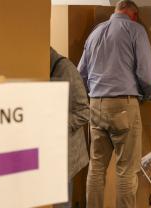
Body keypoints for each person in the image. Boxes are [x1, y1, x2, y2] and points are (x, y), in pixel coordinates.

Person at [77, 0, 151, 207]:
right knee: (126, 170)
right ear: (134, 14)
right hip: (124, 104)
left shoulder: (95, 33)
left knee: (96, 167)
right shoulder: (135, 30)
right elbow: (147, 75)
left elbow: (80, 74)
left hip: (95, 104)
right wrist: (146, 95)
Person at [50, 47, 90, 208]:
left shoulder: (65, 68)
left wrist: (59, 123)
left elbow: (85, 111)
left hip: (67, 152)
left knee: (62, 203)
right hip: (51, 149)